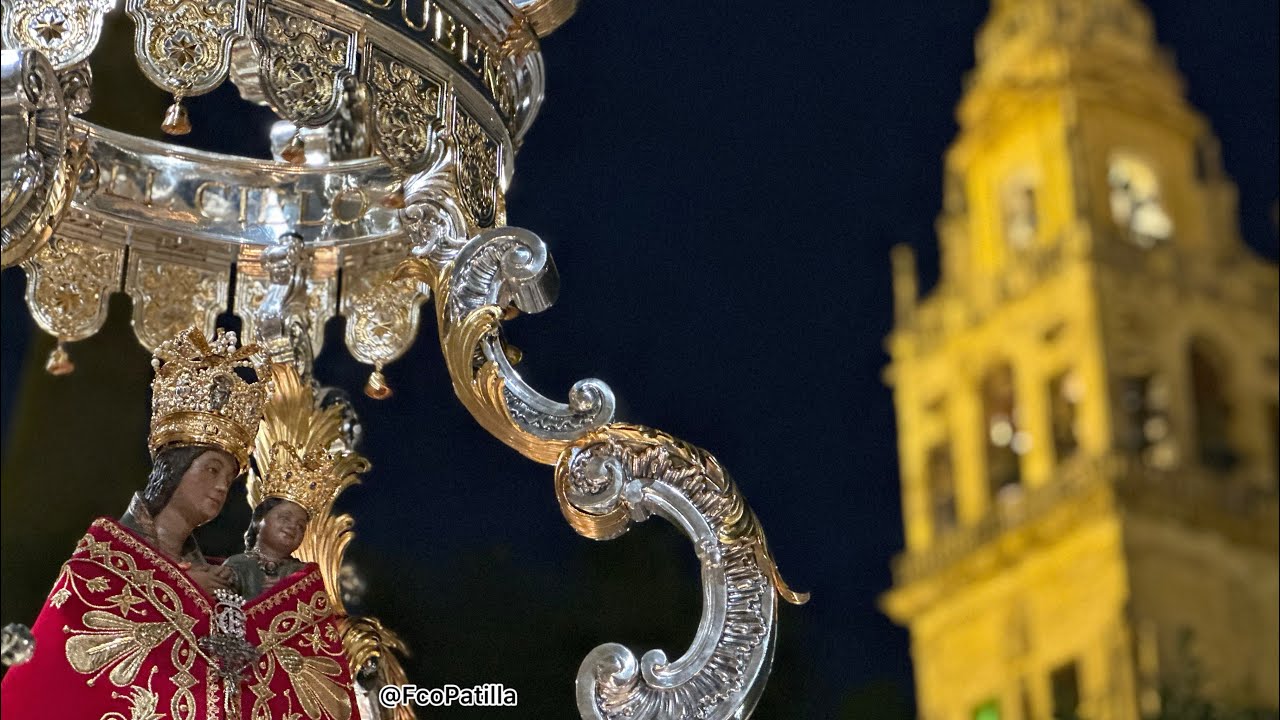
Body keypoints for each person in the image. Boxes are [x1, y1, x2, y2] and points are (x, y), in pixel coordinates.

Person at [0, 327, 270, 720]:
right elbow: (68, 655)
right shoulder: (105, 552)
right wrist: (181, 588)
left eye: (229, 480)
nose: (220, 488)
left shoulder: (218, 577)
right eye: (211, 469)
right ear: (175, 467)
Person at [222, 496, 308, 599]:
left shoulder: (304, 574)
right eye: (285, 518)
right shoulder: (237, 565)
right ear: (258, 521)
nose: (293, 526)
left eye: (301, 526)